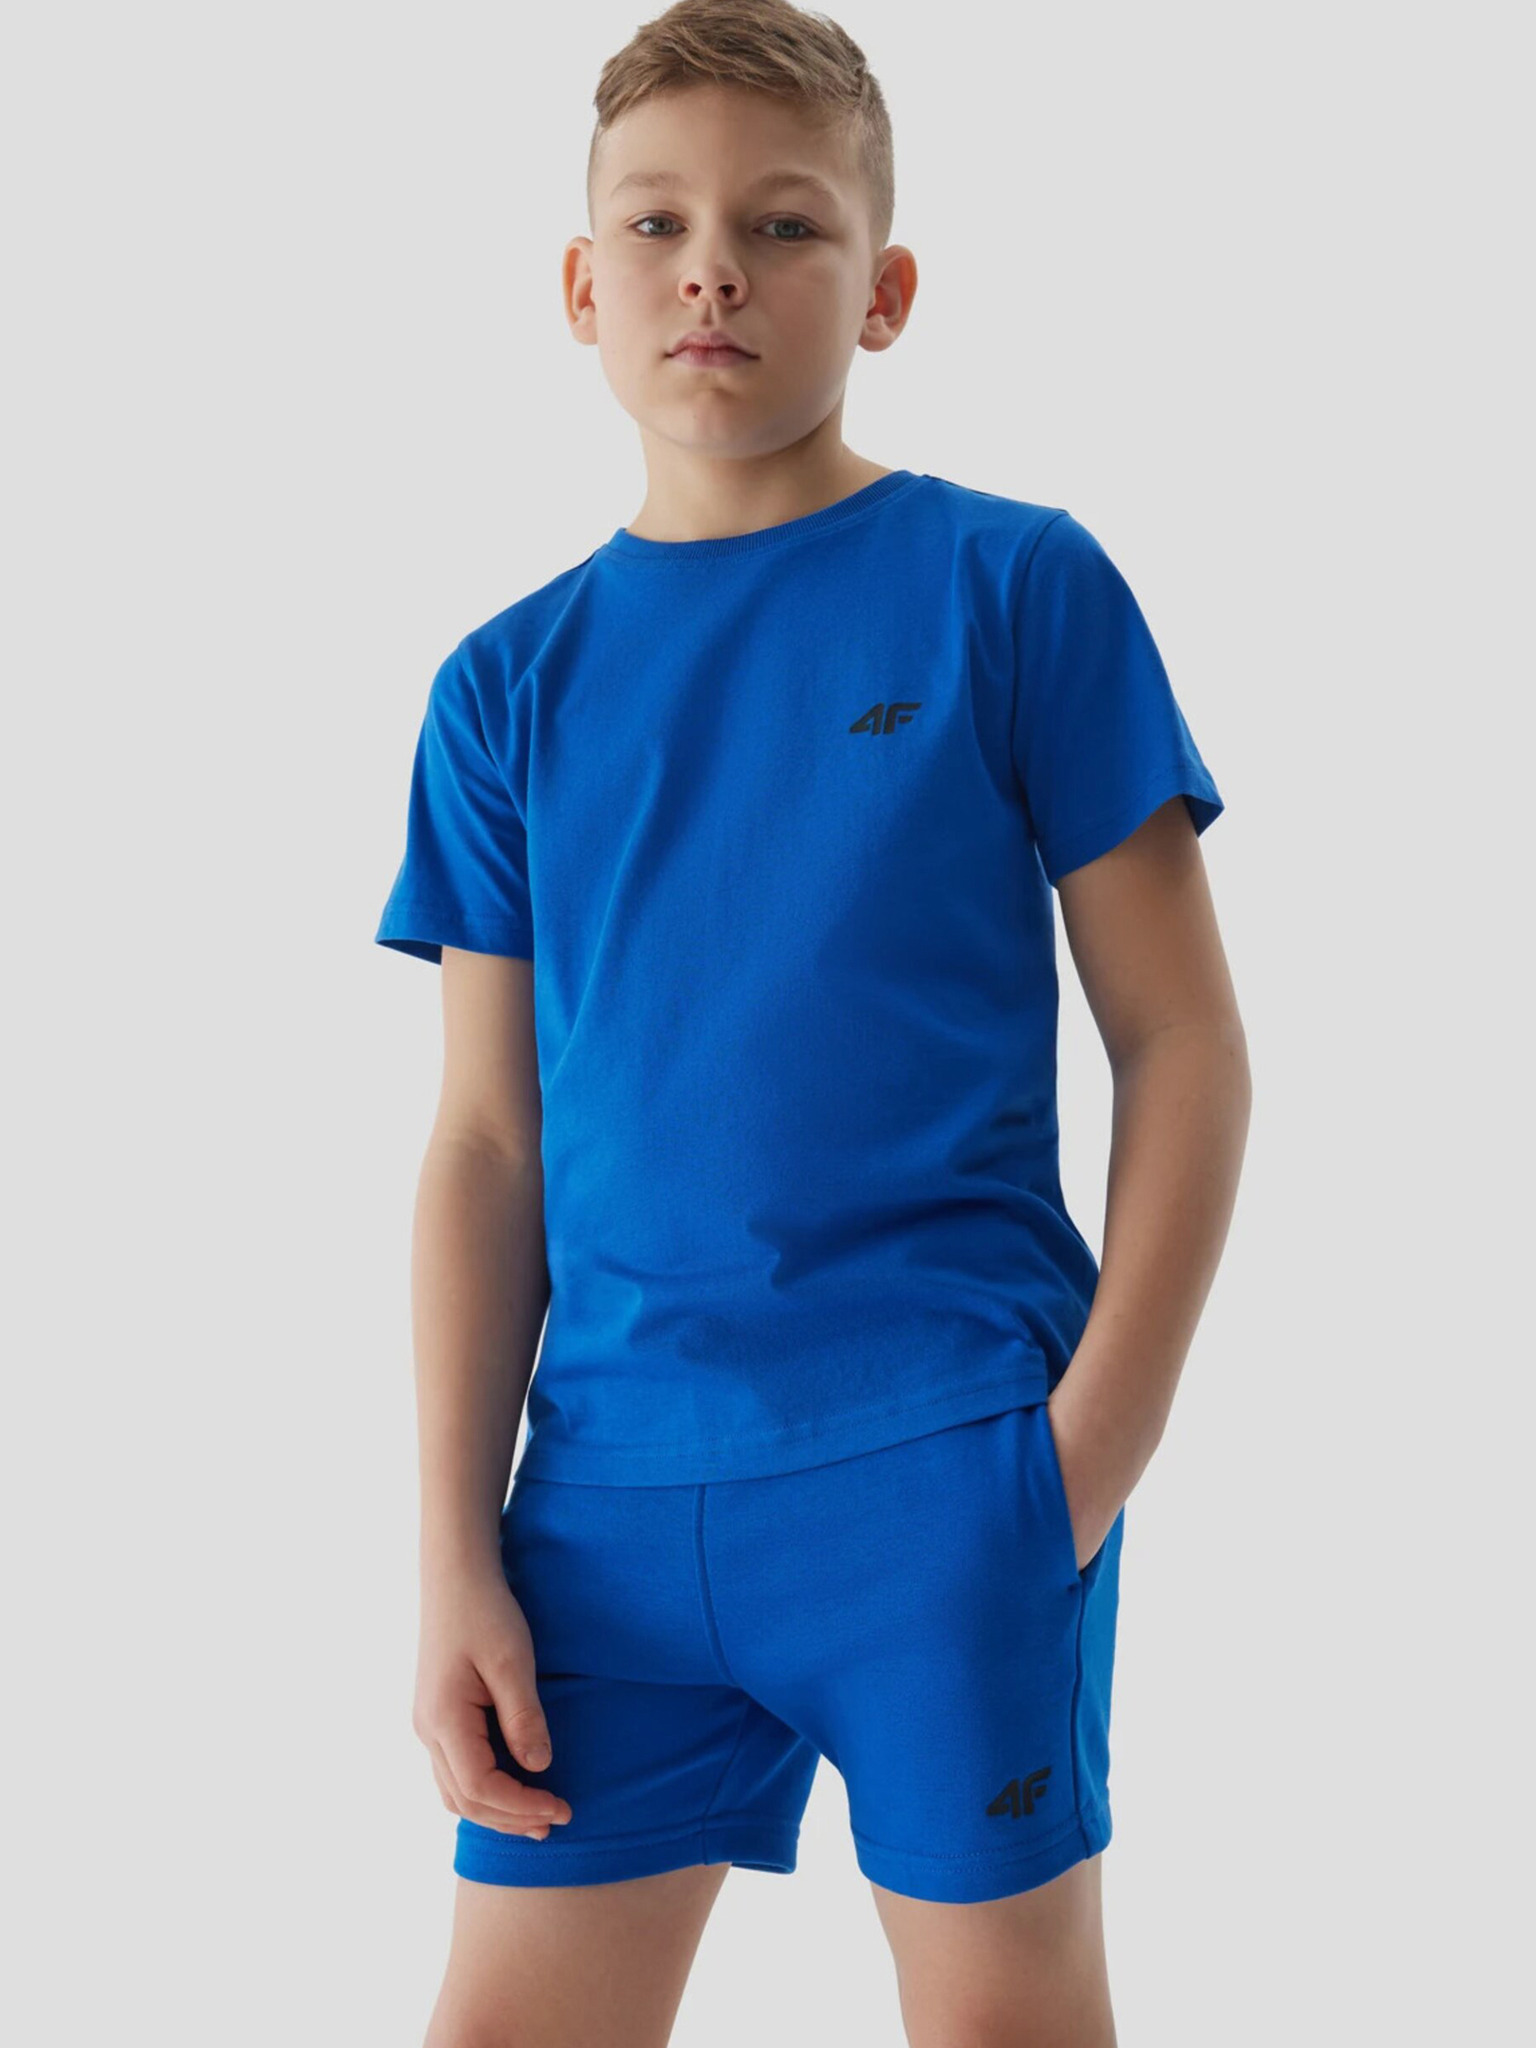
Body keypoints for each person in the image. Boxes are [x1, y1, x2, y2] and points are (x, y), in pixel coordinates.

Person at [374, 3, 1251, 2042]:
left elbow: (1186, 1043)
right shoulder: (503, 690)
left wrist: (1088, 1454)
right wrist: (453, 1553)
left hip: (946, 1467)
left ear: (885, 290)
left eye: (782, 226)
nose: (714, 271)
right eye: (658, 225)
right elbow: (487, 1144)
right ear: (581, 285)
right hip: (600, 1510)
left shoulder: (1014, 589)